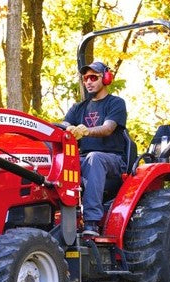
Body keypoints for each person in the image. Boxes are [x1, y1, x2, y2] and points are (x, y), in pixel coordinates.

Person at [62, 61, 128, 236]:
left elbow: (108, 128)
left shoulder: (115, 103)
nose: (88, 82)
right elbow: (64, 125)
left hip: (112, 160)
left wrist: (84, 131)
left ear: (106, 78)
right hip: (84, 160)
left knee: (94, 157)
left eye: (93, 77)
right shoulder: (78, 108)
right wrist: (62, 128)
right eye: (85, 78)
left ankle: (91, 222)